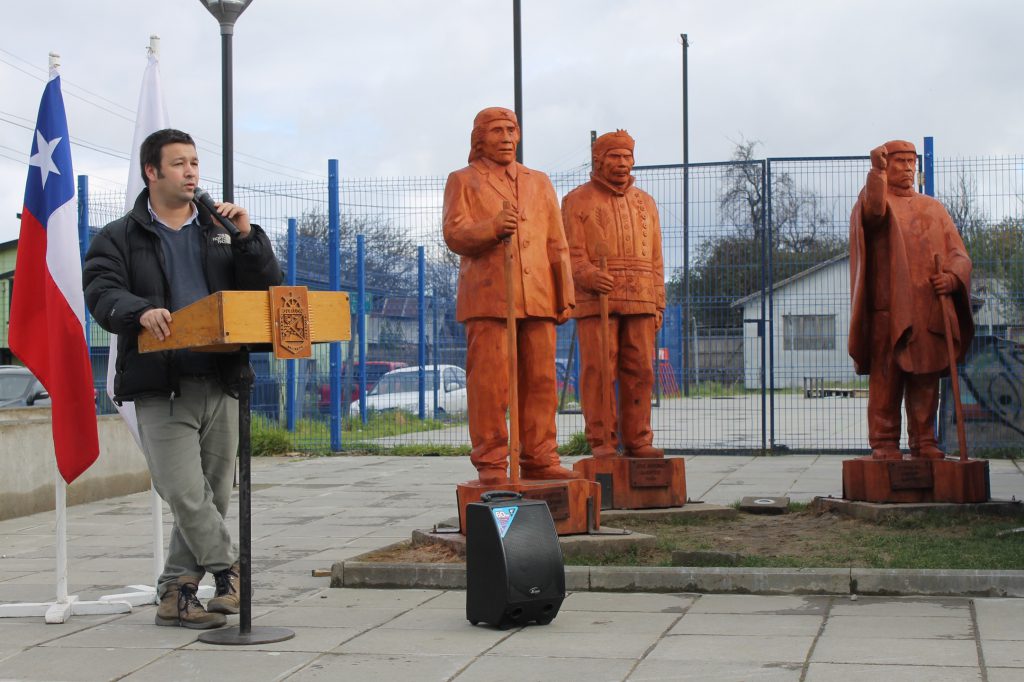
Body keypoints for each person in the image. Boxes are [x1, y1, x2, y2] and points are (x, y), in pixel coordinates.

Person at [83, 128, 283, 628]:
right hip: (160, 384)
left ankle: (177, 592)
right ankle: (230, 569)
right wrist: (140, 310)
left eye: (194, 162)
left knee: (213, 496)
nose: (191, 172)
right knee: (185, 492)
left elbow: (266, 287)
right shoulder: (118, 236)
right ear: (151, 172)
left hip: (222, 377)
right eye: (178, 163)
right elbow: (102, 292)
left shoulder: (220, 230)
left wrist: (247, 238)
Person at [442, 107, 579, 485]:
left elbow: (557, 241)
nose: (506, 137)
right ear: (480, 138)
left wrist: (565, 291)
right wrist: (491, 228)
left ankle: (540, 457)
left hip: (538, 296)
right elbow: (454, 234)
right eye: (497, 130)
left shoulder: (540, 182)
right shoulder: (463, 180)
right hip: (489, 298)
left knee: (541, 381)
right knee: (489, 385)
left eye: (512, 129)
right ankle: (490, 462)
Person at [848, 139, 973, 460]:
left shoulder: (934, 209)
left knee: (925, 379)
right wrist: (876, 173)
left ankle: (924, 439)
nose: (907, 168)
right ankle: (884, 441)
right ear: (887, 164)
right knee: (886, 378)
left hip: (927, 309)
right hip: (887, 310)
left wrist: (952, 278)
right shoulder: (878, 200)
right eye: (899, 162)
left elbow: (958, 254)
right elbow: (873, 214)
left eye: (911, 162)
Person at [562, 130, 665, 459]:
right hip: (597, 302)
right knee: (598, 371)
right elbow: (569, 252)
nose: (622, 163)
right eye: (615, 156)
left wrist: (658, 302)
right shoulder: (576, 200)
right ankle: (602, 439)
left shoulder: (646, 203)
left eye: (627, 156)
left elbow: (657, 259)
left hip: (641, 298)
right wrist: (588, 275)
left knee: (642, 370)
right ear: (598, 160)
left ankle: (639, 438)